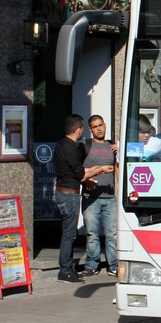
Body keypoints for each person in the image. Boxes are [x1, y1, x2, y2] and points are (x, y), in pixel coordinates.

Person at [80, 115, 118, 278]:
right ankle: (91, 264)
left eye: (101, 125)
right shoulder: (85, 146)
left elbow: (117, 169)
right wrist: (86, 180)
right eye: (95, 127)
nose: (99, 129)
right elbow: (77, 170)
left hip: (110, 198)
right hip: (91, 197)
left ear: (105, 125)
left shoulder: (112, 146)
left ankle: (114, 265)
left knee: (112, 234)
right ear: (90, 129)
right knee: (92, 233)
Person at [53, 114, 86, 283]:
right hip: (69, 194)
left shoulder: (61, 144)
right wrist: (99, 169)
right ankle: (65, 270)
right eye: (82, 129)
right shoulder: (71, 148)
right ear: (78, 130)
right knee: (69, 234)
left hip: (62, 192)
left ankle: (69, 268)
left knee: (68, 233)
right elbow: (80, 174)